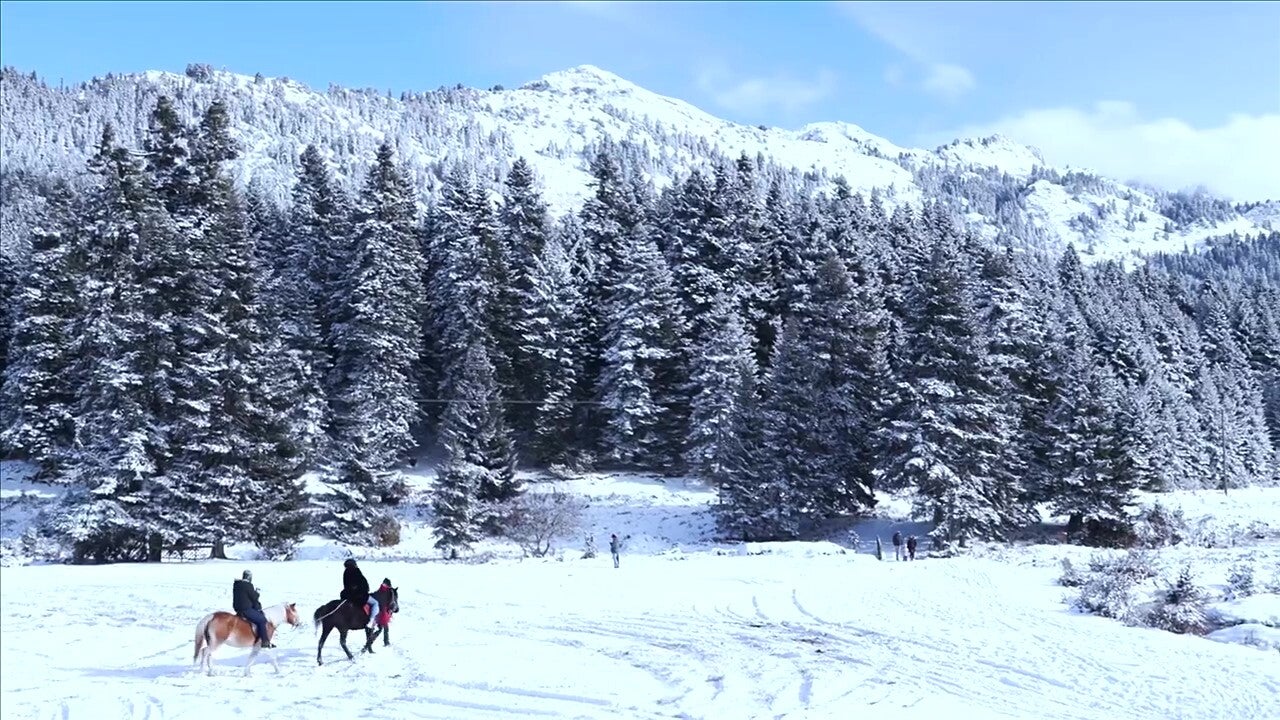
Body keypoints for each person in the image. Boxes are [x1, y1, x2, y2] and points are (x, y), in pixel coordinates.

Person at [232, 569, 274, 648]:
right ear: (249, 577)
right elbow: (254, 597)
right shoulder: (248, 585)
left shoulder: (237, 584)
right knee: (262, 620)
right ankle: (265, 641)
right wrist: (257, 593)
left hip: (237, 608)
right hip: (246, 609)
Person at [342, 558, 378, 629]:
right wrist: (366, 590)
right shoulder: (356, 571)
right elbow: (363, 584)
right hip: (359, 596)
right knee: (375, 603)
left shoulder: (345, 572)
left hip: (348, 595)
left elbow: (346, 585)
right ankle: (371, 621)